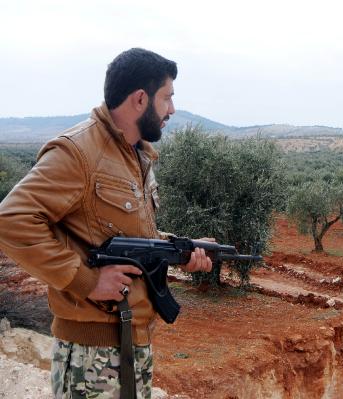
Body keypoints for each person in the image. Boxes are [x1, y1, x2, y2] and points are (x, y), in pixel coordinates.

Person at [0, 48, 212, 398]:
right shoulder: (79, 152)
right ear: (141, 99)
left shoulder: (135, 155)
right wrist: (87, 280)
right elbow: (10, 220)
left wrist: (181, 249)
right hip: (92, 354)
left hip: (133, 342)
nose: (172, 110)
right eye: (167, 98)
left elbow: (129, 237)